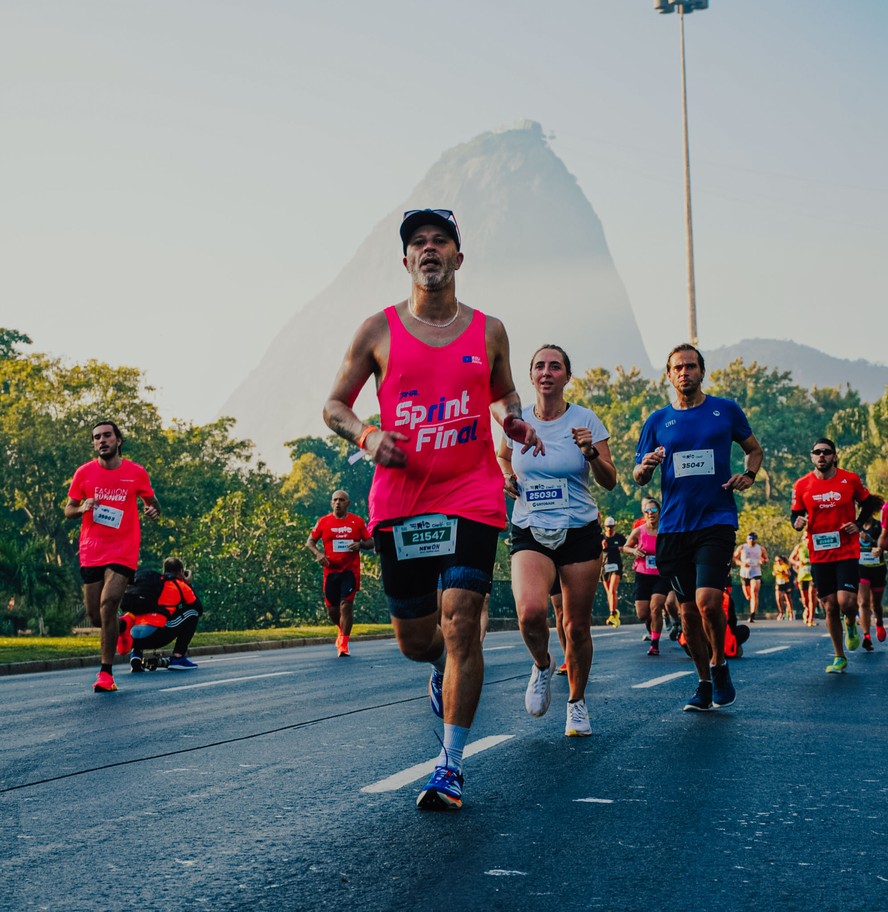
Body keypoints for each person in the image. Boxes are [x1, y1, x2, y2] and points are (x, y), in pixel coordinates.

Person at [323, 208, 541, 811]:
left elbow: (501, 392)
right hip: (400, 504)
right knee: (421, 640)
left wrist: (512, 419)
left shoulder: (490, 330)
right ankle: (437, 664)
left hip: (471, 494)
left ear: (458, 257)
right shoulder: (378, 329)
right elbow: (335, 406)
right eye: (418, 242)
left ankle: (449, 766)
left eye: (439, 240)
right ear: (405, 261)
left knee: (463, 620)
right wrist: (368, 438)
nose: (429, 249)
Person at [634, 344, 763, 712]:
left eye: (691, 366)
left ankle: (719, 664)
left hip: (716, 520)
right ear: (669, 374)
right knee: (688, 612)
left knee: (708, 602)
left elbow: (754, 449)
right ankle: (704, 682)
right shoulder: (657, 421)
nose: (685, 372)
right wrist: (647, 465)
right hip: (674, 528)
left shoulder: (725, 410)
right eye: (678, 367)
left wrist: (749, 475)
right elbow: (639, 475)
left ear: (702, 372)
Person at [499, 344, 616, 737]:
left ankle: (577, 702)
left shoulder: (586, 420)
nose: (547, 372)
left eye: (555, 366)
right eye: (539, 366)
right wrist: (506, 477)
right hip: (530, 527)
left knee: (576, 626)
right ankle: (542, 663)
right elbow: (502, 457)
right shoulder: (514, 422)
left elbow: (609, 479)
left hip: (579, 529)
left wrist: (590, 453)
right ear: (530, 376)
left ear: (567, 375)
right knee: (531, 612)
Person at [64, 420, 160, 693]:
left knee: (108, 603)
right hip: (92, 549)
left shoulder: (136, 473)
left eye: (107, 435)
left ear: (118, 441)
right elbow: (68, 509)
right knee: (96, 616)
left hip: (124, 549)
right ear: (94, 444)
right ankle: (123, 625)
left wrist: (153, 510)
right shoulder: (84, 473)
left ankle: (105, 674)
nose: (101, 441)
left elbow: (153, 504)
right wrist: (82, 507)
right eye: (97, 437)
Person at [791, 438, 881, 673]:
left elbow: (868, 501)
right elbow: (795, 516)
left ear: (834, 456)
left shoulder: (849, 479)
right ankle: (839, 656)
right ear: (812, 456)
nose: (822, 456)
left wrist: (858, 524)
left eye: (826, 452)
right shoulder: (802, 485)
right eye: (817, 452)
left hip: (846, 549)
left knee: (846, 602)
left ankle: (851, 622)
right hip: (819, 552)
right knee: (830, 606)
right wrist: (797, 523)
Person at [306, 490, 375, 657]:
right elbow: (310, 542)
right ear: (331, 503)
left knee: (346, 606)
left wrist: (360, 545)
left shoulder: (356, 522)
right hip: (330, 571)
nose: (338, 503)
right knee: (333, 611)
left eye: (341, 500)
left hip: (350, 570)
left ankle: (343, 644)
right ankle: (341, 630)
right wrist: (319, 554)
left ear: (347, 503)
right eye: (335, 500)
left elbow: (371, 541)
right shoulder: (324, 522)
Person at [119, 558, 204, 670]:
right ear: (181, 572)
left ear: (164, 571)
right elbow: (198, 608)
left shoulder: (151, 584)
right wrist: (188, 584)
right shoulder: (179, 585)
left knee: (141, 613)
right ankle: (178, 657)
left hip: (132, 636)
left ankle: (136, 655)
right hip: (155, 635)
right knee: (192, 613)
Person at [624, 497, 671, 656]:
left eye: (654, 510)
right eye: (647, 511)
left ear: (659, 512)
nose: (651, 514)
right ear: (644, 514)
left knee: (656, 606)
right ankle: (654, 626)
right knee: (643, 614)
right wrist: (634, 551)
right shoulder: (639, 531)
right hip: (643, 574)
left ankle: (654, 644)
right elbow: (626, 547)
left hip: (661, 575)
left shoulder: (666, 530)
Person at [856, 512, 885, 651]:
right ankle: (866, 635)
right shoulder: (855, 526)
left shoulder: (879, 526)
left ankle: (879, 622)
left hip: (878, 568)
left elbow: (884, 543)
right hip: (862, 568)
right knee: (863, 602)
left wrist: (874, 543)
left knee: (876, 604)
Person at [734, 533, 768, 622]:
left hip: (756, 572)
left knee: (754, 593)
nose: (751, 540)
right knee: (748, 596)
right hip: (744, 573)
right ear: (746, 539)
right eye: (749, 538)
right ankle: (751, 607)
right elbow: (735, 558)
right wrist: (742, 563)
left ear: (756, 539)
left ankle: (752, 614)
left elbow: (766, 559)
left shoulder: (760, 548)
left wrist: (763, 561)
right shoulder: (742, 548)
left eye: (753, 538)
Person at [601, 517, 627, 627]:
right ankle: (614, 612)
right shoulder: (602, 538)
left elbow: (628, 547)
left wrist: (622, 548)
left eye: (611, 527)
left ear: (614, 526)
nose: (609, 529)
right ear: (605, 527)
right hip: (605, 567)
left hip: (616, 566)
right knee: (609, 593)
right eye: (608, 527)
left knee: (612, 590)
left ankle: (612, 613)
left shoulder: (619, 537)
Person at [789, 537, 818, 626]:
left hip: (813, 575)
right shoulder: (799, 547)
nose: (807, 539)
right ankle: (807, 610)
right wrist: (797, 563)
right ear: (803, 539)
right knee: (805, 600)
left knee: (812, 597)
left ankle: (811, 619)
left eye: (808, 536)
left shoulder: (815, 545)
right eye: (805, 537)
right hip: (802, 576)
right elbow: (791, 559)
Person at [771, 555, 794, 620]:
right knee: (778, 598)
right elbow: (773, 573)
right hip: (778, 583)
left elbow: (789, 574)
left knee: (787, 598)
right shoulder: (775, 566)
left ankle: (791, 613)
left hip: (785, 583)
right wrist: (774, 573)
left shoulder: (785, 566)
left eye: (779, 560)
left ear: (782, 560)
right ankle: (781, 612)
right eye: (776, 561)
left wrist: (784, 572)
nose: (777, 562)